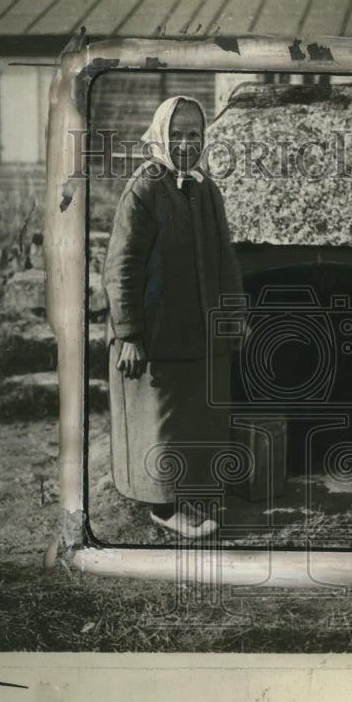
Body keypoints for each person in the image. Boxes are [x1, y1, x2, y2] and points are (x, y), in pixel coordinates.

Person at [102, 96, 244, 539]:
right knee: (160, 419)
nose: (186, 144)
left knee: (194, 415)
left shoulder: (204, 189)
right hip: (154, 333)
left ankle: (190, 496)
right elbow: (120, 267)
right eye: (177, 134)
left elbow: (225, 260)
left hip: (196, 329)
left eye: (195, 135)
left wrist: (235, 315)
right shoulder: (144, 188)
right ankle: (162, 508)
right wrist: (129, 334)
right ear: (161, 135)